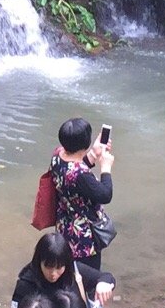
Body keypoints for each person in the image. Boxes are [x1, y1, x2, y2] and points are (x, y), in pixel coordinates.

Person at [47, 118, 115, 283]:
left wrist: (93, 154)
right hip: (83, 239)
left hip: (64, 230)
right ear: (86, 143)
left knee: (66, 276)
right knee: (85, 281)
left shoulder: (57, 156)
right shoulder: (81, 175)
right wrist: (106, 168)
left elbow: (72, 174)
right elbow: (105, 195)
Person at [12, 230, 113, 308]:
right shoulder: (25, 284)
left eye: (59, 268)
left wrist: (103, 284)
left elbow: (106, 277)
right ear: (39, 262)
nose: (53, 274)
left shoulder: (75, 271)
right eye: (48, 267)